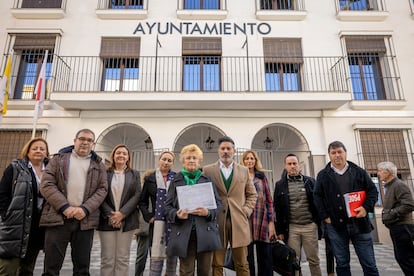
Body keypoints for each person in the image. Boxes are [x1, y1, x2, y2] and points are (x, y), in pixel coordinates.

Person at [40, 128, 108, 276]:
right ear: (75, 140)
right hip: (58, 218)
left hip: (84, 220)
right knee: (51, 267)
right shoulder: (58, 159)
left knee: (82, 268)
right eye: (82, 139)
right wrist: (64, 207)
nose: (85, 142)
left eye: (89, 140)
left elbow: (102, 189)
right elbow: (47, 184)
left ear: (93, 144)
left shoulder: (99, 164)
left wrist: (84, 209)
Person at [313, 141, 379, 276]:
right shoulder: (323, 175)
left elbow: (372, 191)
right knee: (342, 264)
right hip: (336, 226)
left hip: (360, 224)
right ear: (329, 155)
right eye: (333, 153)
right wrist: (325, 216)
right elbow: (317, 197)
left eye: (339, 152)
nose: (337, 155)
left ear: (345, 153)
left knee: (369, 264)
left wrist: (366, 208)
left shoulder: (359, 172)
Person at [203, 136, 258, 276]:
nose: (226, 151)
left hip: (238, 221)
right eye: (223, 148)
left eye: (229, 148)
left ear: (234, 151)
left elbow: (252, 194)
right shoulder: (208, 170)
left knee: (242, 263)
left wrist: (246, 211)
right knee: (216, 263)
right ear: (218, 151)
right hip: (216, 222)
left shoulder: (244, 171)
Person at [164, 144, 222, 275]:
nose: (191, 160)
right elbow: (167, 207)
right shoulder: (175, 181)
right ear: (183, 161)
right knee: (186, 271)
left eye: (194, 158)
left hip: (205, 232)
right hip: (184, 233)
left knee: (205, 272)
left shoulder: (207, 180)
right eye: (188, 158)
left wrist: (208, 212)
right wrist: (177, 214)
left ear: (199, 161)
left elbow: (218, 205)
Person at [0, 138, 49, 275]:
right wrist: (6, 214)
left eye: (42, 149)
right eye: (34, 148)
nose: (38, 151)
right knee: (8, 267)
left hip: (37, 225)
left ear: (46, 152)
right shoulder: (15, 168)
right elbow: (3, 193)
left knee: (27, 268)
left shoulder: (50, 170)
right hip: (17, 223)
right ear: (27, 152)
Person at [274, 154, 322, 276]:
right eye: (289, 164)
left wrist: (317, 222)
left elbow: (319, 201)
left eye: (294, 163)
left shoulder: (310, 181)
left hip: (309, 227)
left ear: (298, 165)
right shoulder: (280, 185)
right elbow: (277, 209)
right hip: (292, 229)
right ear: (285, 166)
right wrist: (279, 230)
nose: (292, 166)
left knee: (314, 259)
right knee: (293, 261)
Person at [97, 144, 141, 276]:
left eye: (124, 153)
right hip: (106, 220)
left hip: (127, 220)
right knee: (107, 259)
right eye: (118, 153)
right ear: (113, 156)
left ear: (128, 157)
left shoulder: (135, 174)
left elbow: (137, 195)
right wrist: (111, 215)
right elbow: (99, 194)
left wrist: (122, 214)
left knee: (122, 258)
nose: (121, 155)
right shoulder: (104, 173)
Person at [139, 151, 178, 276]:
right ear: (159, 160)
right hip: (156, 224)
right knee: (155, 261)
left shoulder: (177, 178)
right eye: (164, 159)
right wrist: (149, 216)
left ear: (172, 163)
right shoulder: (150, 179)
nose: (166, 162)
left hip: (173, 222)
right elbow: (142, 201)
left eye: (169, 160)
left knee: (172, 259)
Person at [240, 150, 275, 276]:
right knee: (247, 259)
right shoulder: (239, 176)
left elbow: (269, 199)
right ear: (243, 161)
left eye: (252, 158)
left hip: (262, 220)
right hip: (246, 220)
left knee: (265, 258)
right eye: (247, 158)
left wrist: (271, 223)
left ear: (255, 161)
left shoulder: (261, 177)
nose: (249, 161)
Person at [377, 161, 414, 275]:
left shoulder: (398, 185)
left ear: (388, 172)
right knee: (402, 258)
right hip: (397, 227)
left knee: (406, 259)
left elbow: (409, 204)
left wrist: (391, 213)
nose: (378, 174)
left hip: (403, 227)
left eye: (380, 171)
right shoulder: (391, 186)